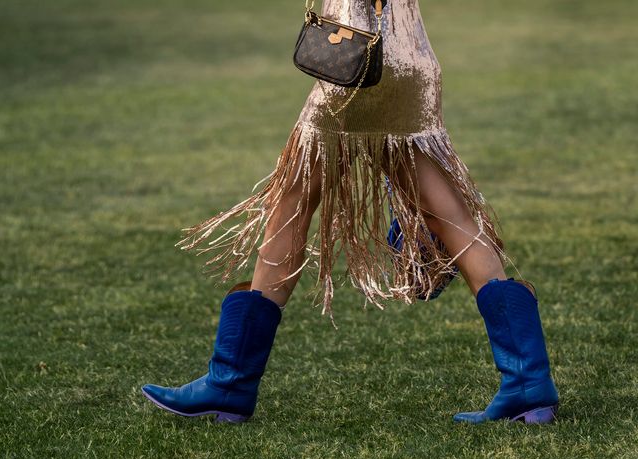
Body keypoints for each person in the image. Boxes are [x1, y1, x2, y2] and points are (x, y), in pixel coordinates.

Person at [141, 0, 559, 424]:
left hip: (357, 59)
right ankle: (528, 382)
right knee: (452, 218)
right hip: (410, 60)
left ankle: (230, 382)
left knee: (292, 206)